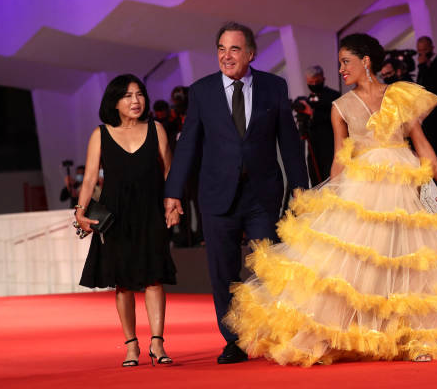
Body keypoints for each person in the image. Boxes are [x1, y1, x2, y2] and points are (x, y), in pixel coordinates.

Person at [223, 33, 437, 366]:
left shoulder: (399, 95)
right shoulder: (340, 107)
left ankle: (416, 338)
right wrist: (333, 195)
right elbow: (341, 157)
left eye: (346, 61)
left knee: (408, 261)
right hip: (363, 187)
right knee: (356, 266)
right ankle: (349, 333)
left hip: (403, 183)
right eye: (340, 63)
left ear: (366, 61)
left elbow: (421, 141)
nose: (341, 69)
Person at [164, 22, 308, 364]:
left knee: (269, 265)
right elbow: (188, 147)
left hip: (262, 194)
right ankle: (234, 340)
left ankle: (271, 332)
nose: (227, 56)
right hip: (216, 195)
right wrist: (173, 193)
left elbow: (288, 143)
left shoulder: (274, 87)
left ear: (251, 54)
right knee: (223, 271)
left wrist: (300, 190)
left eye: (234, 49)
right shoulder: (201, 91)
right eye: (221, 49)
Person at [75, 74, 177, 367]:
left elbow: (169, 169)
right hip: (115, 215)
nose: (135, 101)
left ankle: (157, 343)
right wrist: (80, 210)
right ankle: (131, 345)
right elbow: (91, 177)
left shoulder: (156, 129)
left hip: (150, 211)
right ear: (114, 102)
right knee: (123, 283)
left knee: (155, 276)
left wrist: (172, 202)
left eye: (139, 94)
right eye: (128, 96)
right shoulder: (101, 134)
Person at [416, 36, 437, 185]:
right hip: (426, 117)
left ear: (431, 48)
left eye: (424, 50)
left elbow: (431, 90)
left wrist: (423, 66)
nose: (422, 54)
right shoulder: (424, 66)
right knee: (426, 154)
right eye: (419, 51)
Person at [303, 65, 340, 186]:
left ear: (323, 79)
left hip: (331, 147)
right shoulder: (307, 100)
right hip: (314, 149)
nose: (314, 84)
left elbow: (337, 119)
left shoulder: (333, 96)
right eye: (310, 82)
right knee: (317, 184)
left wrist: (313, 113)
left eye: (316, 82)